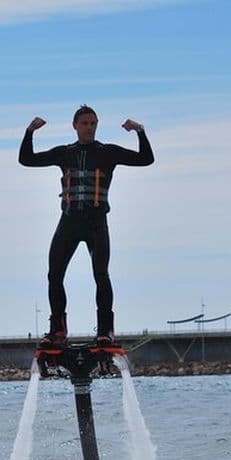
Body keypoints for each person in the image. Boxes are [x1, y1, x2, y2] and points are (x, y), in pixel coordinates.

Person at [19, 105, 154, 348]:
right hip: (69, 221)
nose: (89, 128)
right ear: (75, 126)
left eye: (93, 124)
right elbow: (26, 160)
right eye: (85, 123)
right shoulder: (64, 153)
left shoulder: (108, 152)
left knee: (101, 275)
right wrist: (30, 131)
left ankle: (105, 331)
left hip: (96, 223)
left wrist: (140, 131)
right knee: (54, 274)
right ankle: (58, 330)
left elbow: (146, 159)